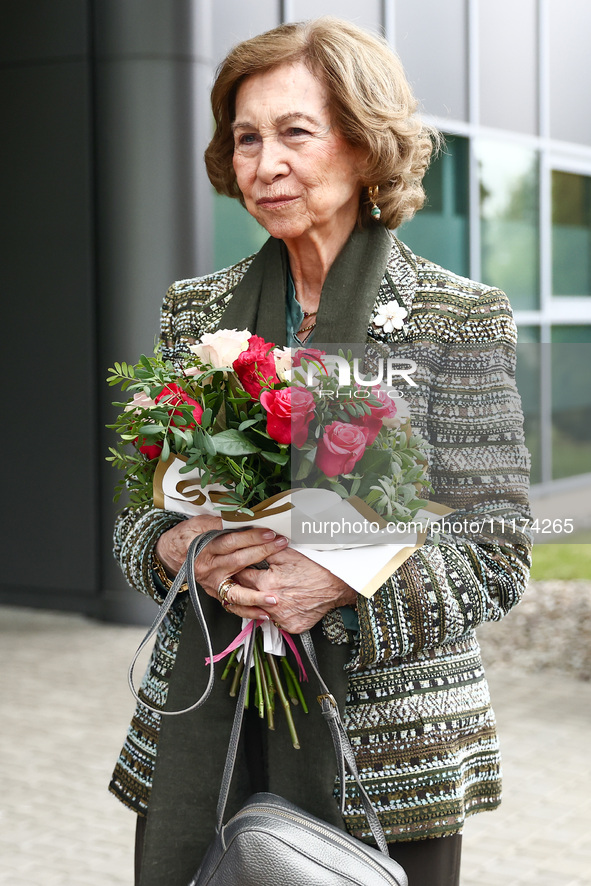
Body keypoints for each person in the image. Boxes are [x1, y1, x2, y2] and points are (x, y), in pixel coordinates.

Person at [109, 17, 531, 886]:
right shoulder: (197, 313)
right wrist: (174, 548)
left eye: (294, 133)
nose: (264, 165)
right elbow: (138, 510)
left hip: (384, 752)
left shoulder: (454, 317)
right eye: (245, 137)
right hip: (203, 725)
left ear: (366, 143)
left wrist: (339, 579)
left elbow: (495, 551)